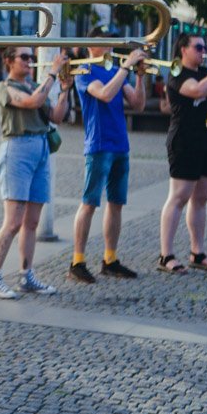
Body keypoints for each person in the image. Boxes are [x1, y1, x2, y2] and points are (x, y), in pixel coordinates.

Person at [0, 47, 71, 299]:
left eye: (31, 57)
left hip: (41, 148)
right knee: (13, 221)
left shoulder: (34, 85)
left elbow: (57, 116)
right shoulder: (5, 87)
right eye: (24, 57)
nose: (30, 61)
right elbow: (33, 102)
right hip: (17, 149)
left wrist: (65, 90)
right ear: (9, 61)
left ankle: (26, 275)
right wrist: (53, 72)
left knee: (32, 221)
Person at [68, 28, 147, 284]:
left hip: (120, 144)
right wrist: (126, 68)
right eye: (107, 42)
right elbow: (104, 94)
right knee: (89, 203)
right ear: (92, 45)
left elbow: (138, 104)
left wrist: (140, 77)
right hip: (99, 145)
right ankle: (77, 261)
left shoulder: (115, 70)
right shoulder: (84, 70)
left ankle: (110, 259)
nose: (112, 46)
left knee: (116, 204)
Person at [156, 36, 207, 274]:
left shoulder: (206, 71)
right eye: (199, 47)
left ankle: (197, 252)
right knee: (179, 196)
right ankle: (166, 254)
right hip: (185, 141)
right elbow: (198, 90)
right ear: (183, 49)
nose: (204, 51)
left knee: (201, 199)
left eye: (205, 47)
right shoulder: (177, 73)